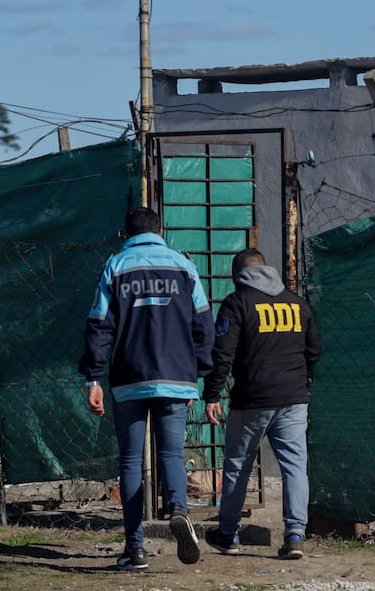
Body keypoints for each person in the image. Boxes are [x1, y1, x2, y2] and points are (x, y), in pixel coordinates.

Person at [80, 206, 214, 570]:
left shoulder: (116, 266)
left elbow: (99, 326)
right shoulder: (183, 265)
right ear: (160, 230)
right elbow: (203, 323)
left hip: (129, 378)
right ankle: (179, 510)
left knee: (130, 461)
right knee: (171, 454)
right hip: (176, 376)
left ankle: (134, 548)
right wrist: (197, 372)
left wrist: (93, 377)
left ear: (126, 233)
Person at [201, 248, 321, 560]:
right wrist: (301, 379)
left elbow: (222, 353)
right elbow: (314, 350)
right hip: (294, 398)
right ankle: (295, 534)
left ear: (237, 275)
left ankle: (228, 533)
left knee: (238, 465)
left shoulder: (237, 302)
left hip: (252, 399)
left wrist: (212, 394)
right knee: (294, 466)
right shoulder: (297, 304)